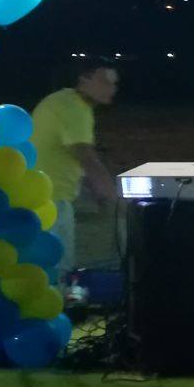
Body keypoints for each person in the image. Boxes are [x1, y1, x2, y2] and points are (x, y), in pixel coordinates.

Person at [31, 57, 118, 272]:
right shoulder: (74, 108)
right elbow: (87, 159)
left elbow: (72, 160)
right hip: (50, 201)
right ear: (84, 79)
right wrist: (116, 200)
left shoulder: (63, 101)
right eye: (105, 80)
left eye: (115, 83)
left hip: (37, 195)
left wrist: (98, 194)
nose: (112, 88)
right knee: (58, 271)